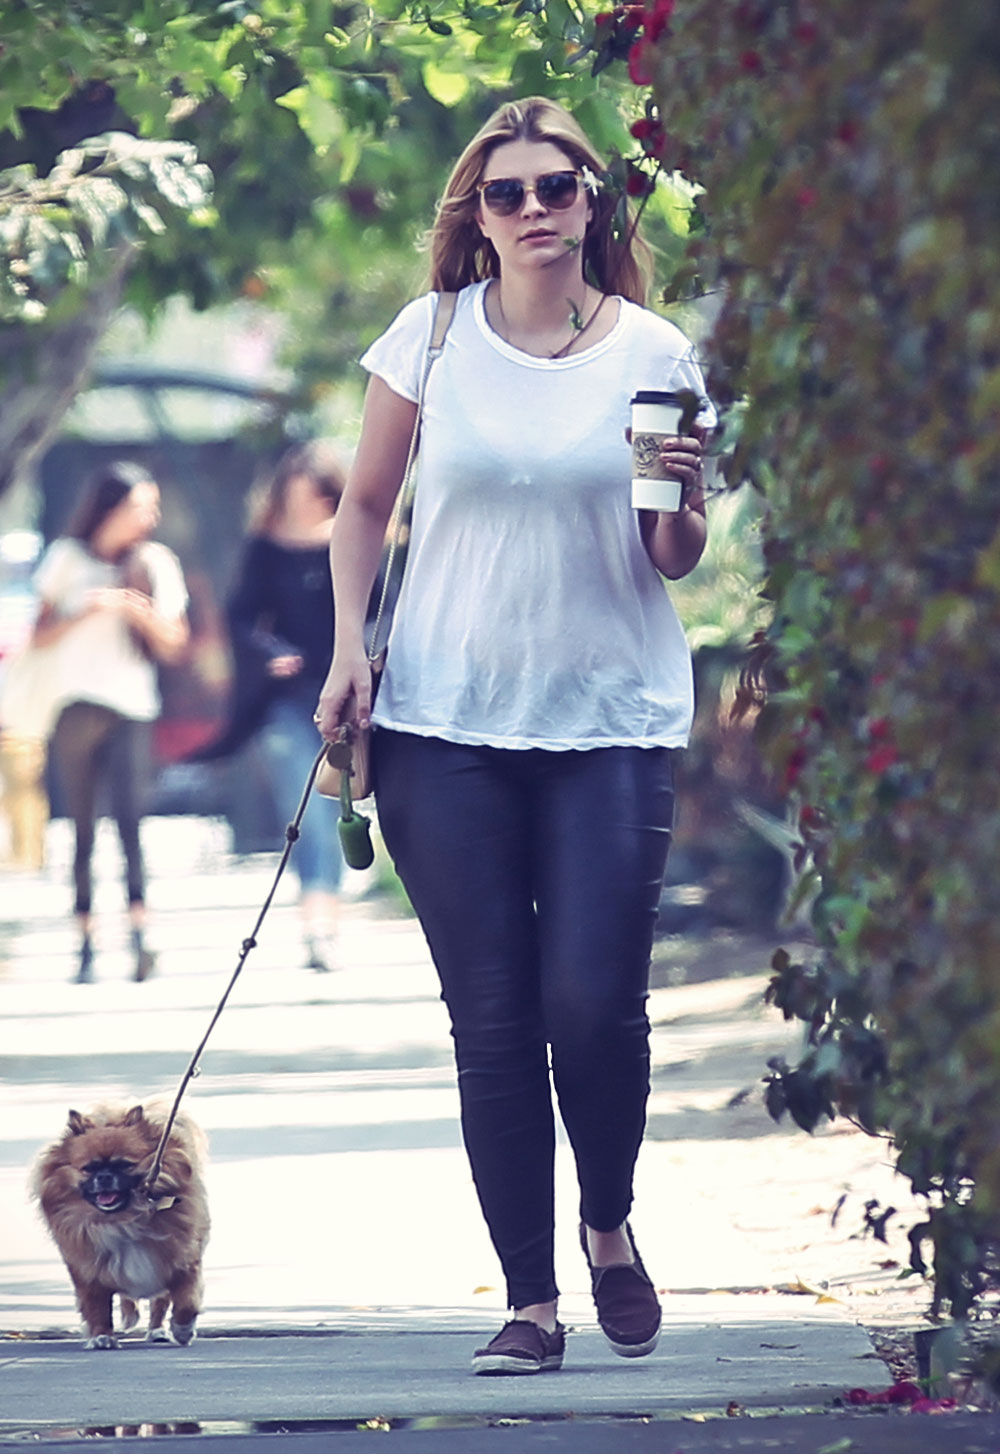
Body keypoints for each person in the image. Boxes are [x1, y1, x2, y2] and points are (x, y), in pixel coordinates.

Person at [315, 97, 712, 1376]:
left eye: (556, 188)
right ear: (474, 216)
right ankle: (530, 1301)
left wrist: (683, 506)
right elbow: (363, 505)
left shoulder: (656, 352)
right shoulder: (428, 340)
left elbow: (672, 556)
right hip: (444, 722)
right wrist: (346, 652)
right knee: (491, 1024)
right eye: (507, 193)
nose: (534, 210)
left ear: (593, 203)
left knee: (593, 1007)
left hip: (608, 719)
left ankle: (608, 1225)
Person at [32, 462, 189, 983]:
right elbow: (39, 635)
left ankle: (141, 935)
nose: (150, 517)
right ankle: (85, 939)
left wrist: (136, 611)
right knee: (78, 828)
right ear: (110, 508)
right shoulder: (67, 558)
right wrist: (88, 610)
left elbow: (174, 642)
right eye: (141, 506)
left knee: (130, 823)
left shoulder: (154, 562)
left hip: (132, 705)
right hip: (75, 703)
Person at [224, 442, 347, 971]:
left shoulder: (356, 541)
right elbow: (241, 619)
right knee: (306, 816)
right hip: (286, 702)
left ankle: (328, 920)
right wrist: (270, 654)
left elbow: (382, 611)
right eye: (294, 498)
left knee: (337, 811)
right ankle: (315, 927)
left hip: (343, 700)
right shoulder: (265, 548)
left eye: (313, 499)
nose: (304, 510)